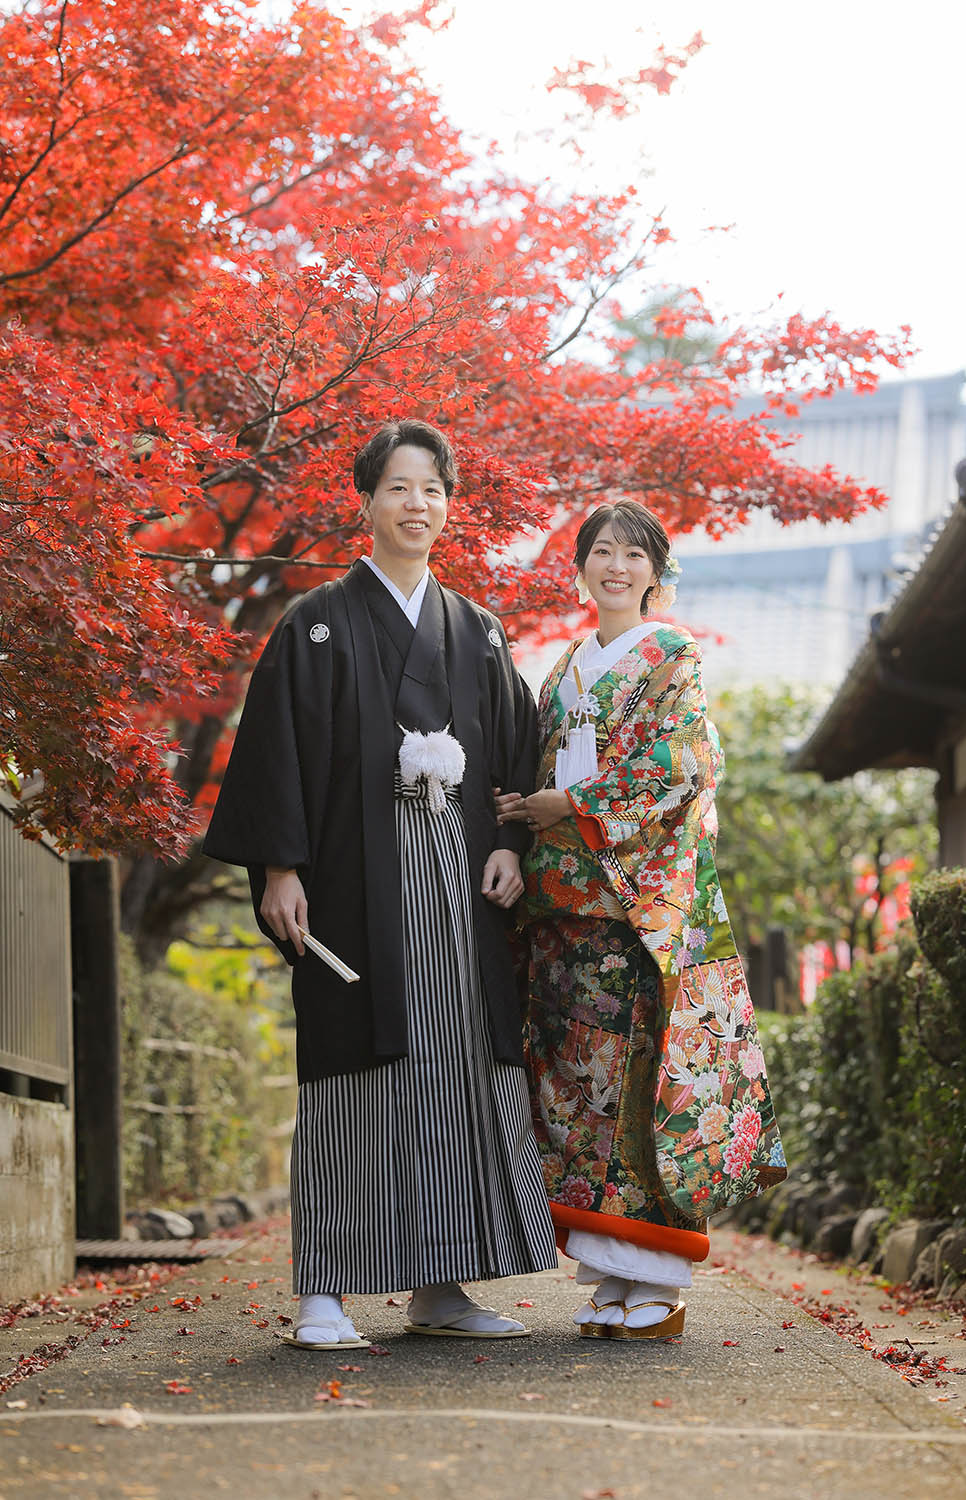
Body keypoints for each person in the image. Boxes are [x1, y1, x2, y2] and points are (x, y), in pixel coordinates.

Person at [204, 419, 557, 1348]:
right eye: (399, 487)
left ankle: (442, 1287)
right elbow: (278, 752)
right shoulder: (316, 622)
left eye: (433, 490)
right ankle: (325, 1285)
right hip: (354, 884)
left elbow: (516, 753)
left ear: (448, 506)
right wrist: (279, 866)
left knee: (454, 1066)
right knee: (351, 1070)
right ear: (365, 501)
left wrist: (514, 845)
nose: (417, 505)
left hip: (457, 878)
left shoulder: (475, 629)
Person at [497, 500, 786, 1340]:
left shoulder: (671, 654)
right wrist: (524, 808)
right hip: (564, 914)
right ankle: (610, 1275)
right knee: (577, 1093)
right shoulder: (562, 667)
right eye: (600, 552)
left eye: (632, 554)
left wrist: (571, 802)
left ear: (656, 573)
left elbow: (684, 761)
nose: (615, 566)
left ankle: (658, 1278)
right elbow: (537, 760)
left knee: (638, 1084)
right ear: (580, 566)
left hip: (636, 911)